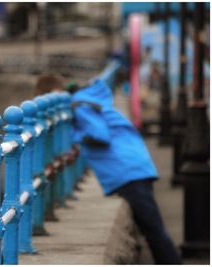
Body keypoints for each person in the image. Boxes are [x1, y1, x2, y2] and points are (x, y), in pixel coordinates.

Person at [35, 74, 182, 264]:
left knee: (154, 230)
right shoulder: (86, 99)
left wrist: (74, 135)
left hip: (127, 170)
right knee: (151, 229)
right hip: (132, 165)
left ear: (53, 94)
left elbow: (99, 135)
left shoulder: (79, 105)